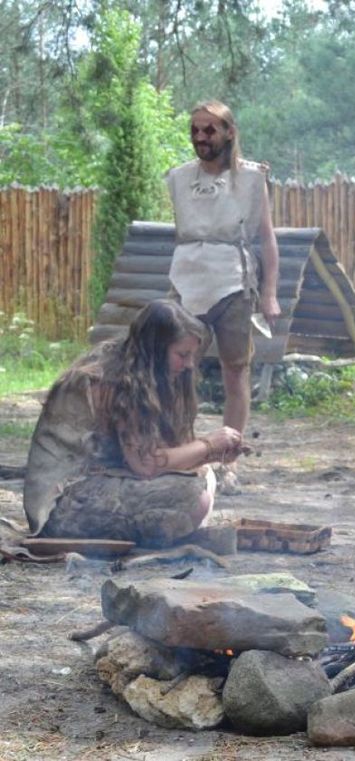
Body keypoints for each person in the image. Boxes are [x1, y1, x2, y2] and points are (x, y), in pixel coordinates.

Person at [30, 300, 242, 548]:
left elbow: (166, 450)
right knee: (194, 499)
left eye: (192, 355)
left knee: (205, 477)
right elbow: (147, 464)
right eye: (182, 355)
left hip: (113, 477)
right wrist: (208, 445)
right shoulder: (112, 379)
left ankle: (176, 529)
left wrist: (212, 455)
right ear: (156, 350)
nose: (189, 365)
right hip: (63, 504)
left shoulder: (149, 374)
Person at [165, 99, 280, 493]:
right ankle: (185, 453)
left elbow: (266, 239)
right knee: (179, 369)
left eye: (209, 130)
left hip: (232, 281)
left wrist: (270, 294)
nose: (201, 137)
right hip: (187, 280)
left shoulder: (251, 178)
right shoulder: (180, 177)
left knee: (236, 369)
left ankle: (229, 459)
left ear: (229, 132)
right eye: (195, 130)